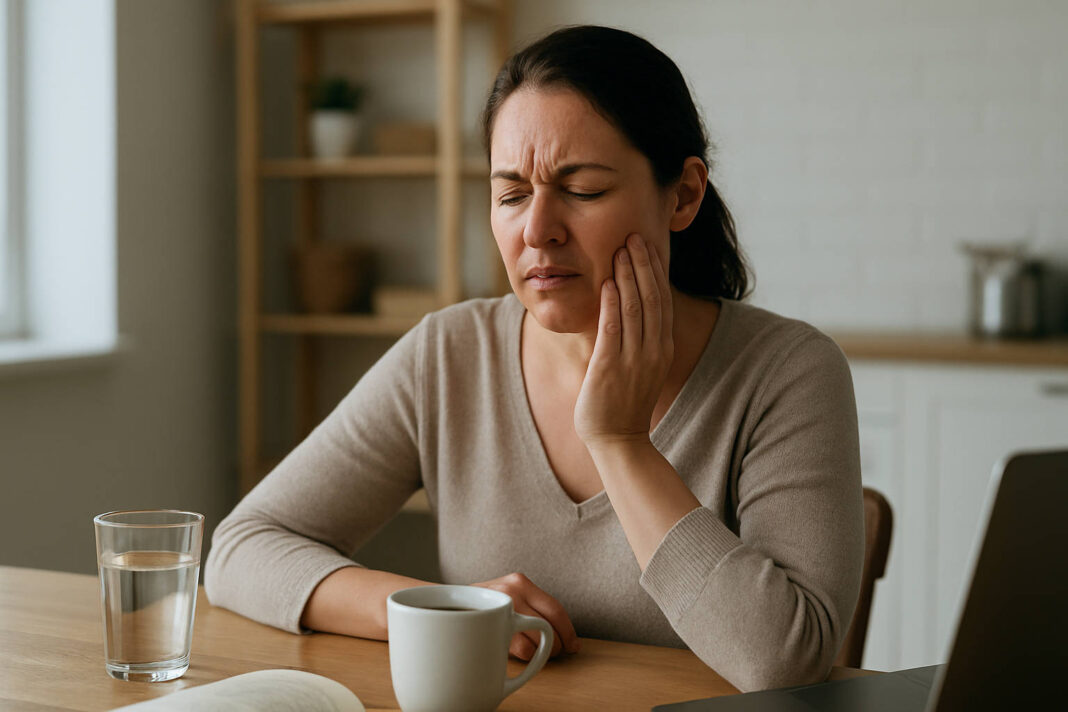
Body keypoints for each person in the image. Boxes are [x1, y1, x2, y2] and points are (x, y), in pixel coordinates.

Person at [205, 25, 864, 692]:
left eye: (582, 190)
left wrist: (620, 442)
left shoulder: (789, 372)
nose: (536, 230)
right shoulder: (449, 354)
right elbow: (241, 550)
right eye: (512, 193)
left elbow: (786, 659)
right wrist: (443, 611)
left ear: (683, 195)